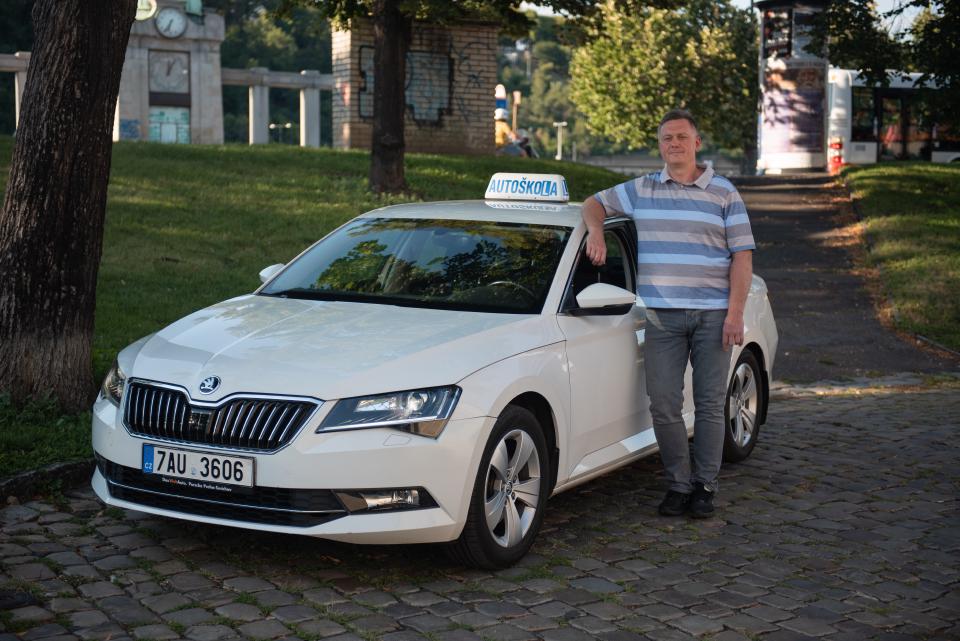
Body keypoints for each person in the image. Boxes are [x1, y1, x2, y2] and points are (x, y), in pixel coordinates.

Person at [580, 109, 755, 519]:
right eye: (666, 139)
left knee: (711, 404)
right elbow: (593, 203)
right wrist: (595, 230)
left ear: (697, 143)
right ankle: (678, 484)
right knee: (663, 404)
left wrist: (735, 314)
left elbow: (742, 257)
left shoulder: (725, 193)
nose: (673, 144)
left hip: (714, 316)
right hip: (662, 317)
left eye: (680, 137)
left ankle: (705, 486)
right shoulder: (642, 190)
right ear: (659, 146)